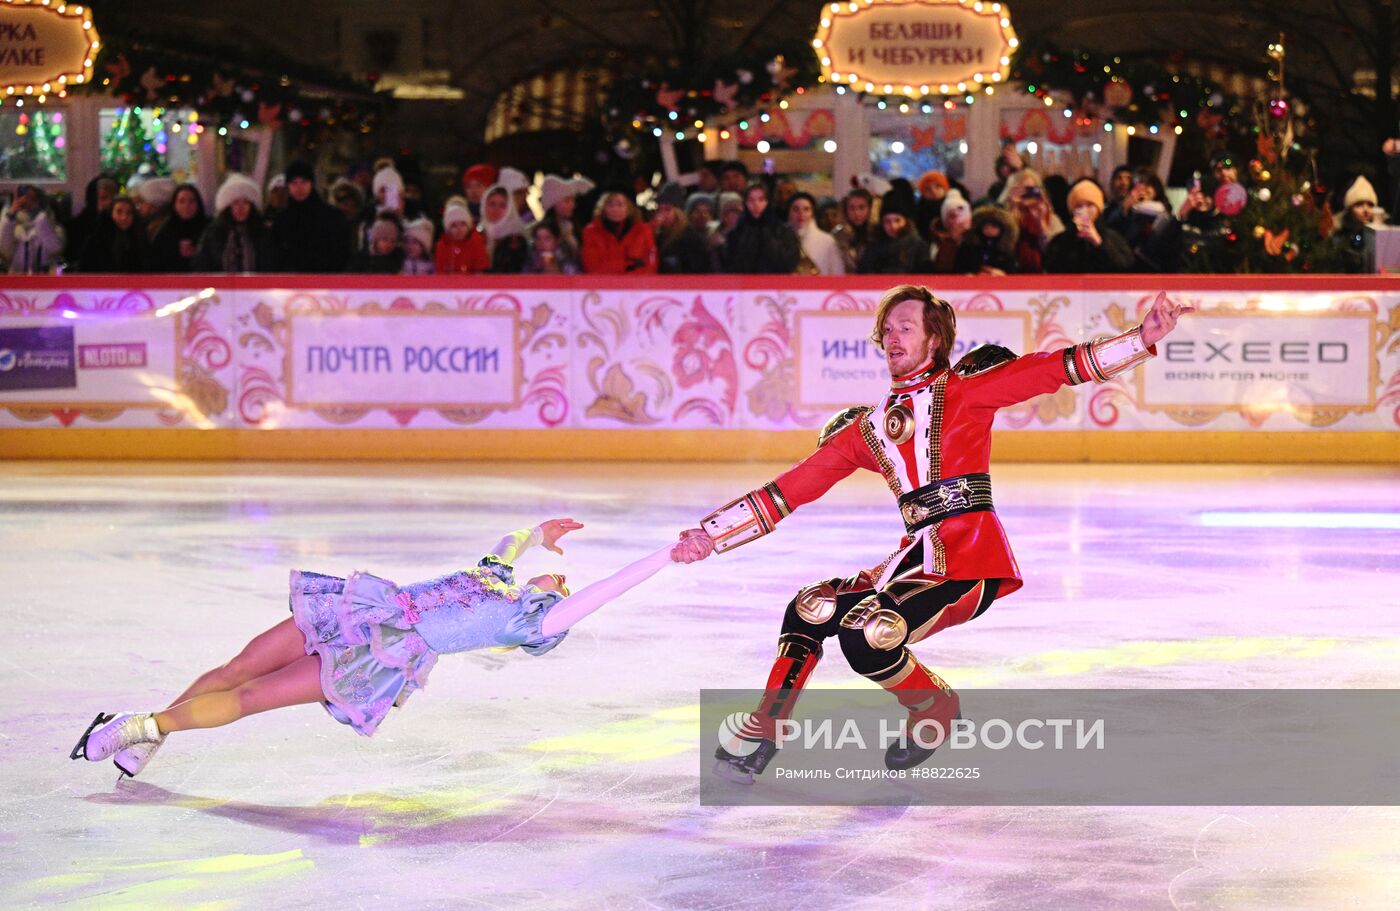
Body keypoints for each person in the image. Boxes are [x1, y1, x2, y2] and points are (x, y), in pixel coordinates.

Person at [672, 285, 1192, 782]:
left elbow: (1053, 369)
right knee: (811, 608)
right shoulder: (869, 429)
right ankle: (765, 732)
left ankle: (933, 708)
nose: (893, 337)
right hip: (915, 560)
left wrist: (1141, 338)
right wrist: (709, 535)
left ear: (934, 340)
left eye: (905, 327)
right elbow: (791, 488)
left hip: (970, 560)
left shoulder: (966, 391)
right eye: (887, 329)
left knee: (865, 633)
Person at [71, 519, 685, 778]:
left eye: (565, 587)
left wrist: (669, 555)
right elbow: (509, 541)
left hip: (383, 654)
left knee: (253, 695)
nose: (563, 579)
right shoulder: (498, 577)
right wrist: (540, 531)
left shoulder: (531, 622)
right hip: (363, 608)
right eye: (560, 576)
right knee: (236, 668)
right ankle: (160, 735)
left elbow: (605, 590)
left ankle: (138, 727)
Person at [272, 160, 350, 273]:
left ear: (311, 183)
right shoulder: (281, 220)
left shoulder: (332, 217)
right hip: (291, 285)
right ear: (288, 186)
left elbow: (342, 253)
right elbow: (276, 256)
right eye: (294, 183)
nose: (299, 187)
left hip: (326, 283)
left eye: (303, 182)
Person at [1044, 179, 1134, 273]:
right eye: (1079, 206)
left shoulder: (1112, 237)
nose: (1084, 210)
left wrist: (1099, 243)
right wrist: (1070, 237)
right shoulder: (1060, 240)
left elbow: (1125, 266)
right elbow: (1053, 267)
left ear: (1098, 209)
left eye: (1090, 205)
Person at [192, 174, 275, 273]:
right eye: (235, 203)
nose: (241, 208)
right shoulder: (213, 233)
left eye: (246, 203)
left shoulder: (263, 232)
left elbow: (270, 264)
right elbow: (201, 265)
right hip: (219, 286)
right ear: (228, 207)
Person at [1104, 169, 1182, 273]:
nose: (1143, 189)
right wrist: (1125, 207)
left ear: (1156, 189)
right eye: (1139, 185)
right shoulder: (1125, 211)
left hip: (1157, 273)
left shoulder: (1165, 214)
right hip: (1129, 272)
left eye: (1148, 185)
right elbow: (1111, 231)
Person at [721, 183, 801, 274]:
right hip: (744, 285)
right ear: (745, 203)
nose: (756, 204)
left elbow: (789, 264)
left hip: (775, 285)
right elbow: (731, 266)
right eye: (751, 200)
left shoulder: (784, 233)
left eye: (761, 199)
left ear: (768, 202)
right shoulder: (735, 234)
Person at [999, 169, 1064, 274]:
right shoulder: (1002, 217)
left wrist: (1041, 224)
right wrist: (1011, 216)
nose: (1026, 195)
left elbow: (1058, 253)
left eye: (1030, 190)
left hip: (1042, 277)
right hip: (1011, 276)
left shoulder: (1050, 218)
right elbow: (1002, 250)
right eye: (1021, 190)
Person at [582, 190, 657, 274]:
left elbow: (650, 267)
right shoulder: (591, 232)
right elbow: (593, 267)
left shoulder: (644, 231)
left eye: (620, 204)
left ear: (629, 207)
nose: (615, 209)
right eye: (610, 205)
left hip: (637, 285)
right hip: (603, 285)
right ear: (603, 208)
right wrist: (628, 265)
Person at [857, 191, 930, 274]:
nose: (893, 226)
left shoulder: (919, 246)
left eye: (897, 220)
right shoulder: (873, 246)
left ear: (906, 222)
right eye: (887, 221)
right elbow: (864, 272)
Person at [1, 185, 64, 274]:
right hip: (16, 282)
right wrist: (11, 215)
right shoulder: (12, 228)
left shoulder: (53, 228)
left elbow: (54, 249)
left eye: (32, 198)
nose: (26, 201)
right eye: (23, 197)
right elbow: (5, 251)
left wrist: (35, 214)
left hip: (45, 283)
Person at [76, 195, 147, 273]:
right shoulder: (96, 240)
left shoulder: (139, 239)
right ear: (111, 213)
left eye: (129, 213)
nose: (124, 217)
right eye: (119, 212)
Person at [148, 184, 210, 272]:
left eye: (191, 201)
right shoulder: (166, 229)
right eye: (181, 201)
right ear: (174, 205)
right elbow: (155, 260)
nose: (186, 206)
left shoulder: (208, 227)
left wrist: (197, 253)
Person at [654, 182, 712, 274]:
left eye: (667, 209)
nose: (662, 214)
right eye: (659, 210)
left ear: (678, 212)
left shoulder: (691, 239)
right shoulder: (658, 237)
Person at [1329, 176, 1381, 273]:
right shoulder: (1336, 235)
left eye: (1370, 205)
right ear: (1349, 209)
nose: (1365, 210)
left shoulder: (1378, 237)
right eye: (1359, 205)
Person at [539, 173, 594, 262]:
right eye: (567, 201)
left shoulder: (574, 228)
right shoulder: (543, 231)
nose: (573, 205)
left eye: (573, 200)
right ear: (554, 204)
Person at [787, 191, 845, 275]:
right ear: (789, 212)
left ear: (812, 213)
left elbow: (837, 273)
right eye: (796, 209)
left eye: (806, 209)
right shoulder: (779, 239)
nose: (801, 214)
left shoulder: (826, 241)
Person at [64, 175, 117, 264]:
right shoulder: (77, 227)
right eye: (104, 198)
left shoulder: (121, 224)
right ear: (93, 199)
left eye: (113, 198)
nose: (109, 202)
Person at [953, 206, 1019, 275]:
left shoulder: (1006, 249)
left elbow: (1011, 270)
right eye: (986, 226)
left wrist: (1000, 273)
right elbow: (960, 266)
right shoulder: (969, 245)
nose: (989, 229)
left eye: (994, 226)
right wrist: (971, 273)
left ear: (1003, 229)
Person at [481, 184, 529, 274]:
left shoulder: (515, 241)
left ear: (509, 209)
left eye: (502, 205)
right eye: (492, 204)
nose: (496, 209)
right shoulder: (478, 235)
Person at [434, 203, 490, 274]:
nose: (459, 229)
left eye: (463, 224)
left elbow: (480, 270)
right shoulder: (442, 245)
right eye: (454, 225)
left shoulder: (477, 241)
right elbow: (440, 272)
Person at [831, 188, 875, 272]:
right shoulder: (837, 235)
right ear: (846, 210)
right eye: (851, 208)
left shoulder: (877, 233)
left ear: (869, 209)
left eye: (861, 208)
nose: (856, 213)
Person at [928, 189, 971, 273]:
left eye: (960, 216)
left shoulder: (974, 239)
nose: (956, 221)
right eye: (952, 216)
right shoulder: (938, 239)